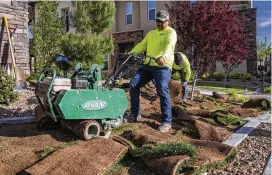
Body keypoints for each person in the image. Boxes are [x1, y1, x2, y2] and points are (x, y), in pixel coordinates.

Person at [124, 10, 177, 133]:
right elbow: (142, 45)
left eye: (162, 22)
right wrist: (130, 54)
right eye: (157, 21)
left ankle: (166, 121)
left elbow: (169, 46)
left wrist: (163, 57)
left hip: (163, 66)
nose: (159, 24)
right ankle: (135, 114)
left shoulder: (171, 32)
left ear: (167, 21)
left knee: (162, 89)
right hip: (148, 65)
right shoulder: (151, 33)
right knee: (133, 84)